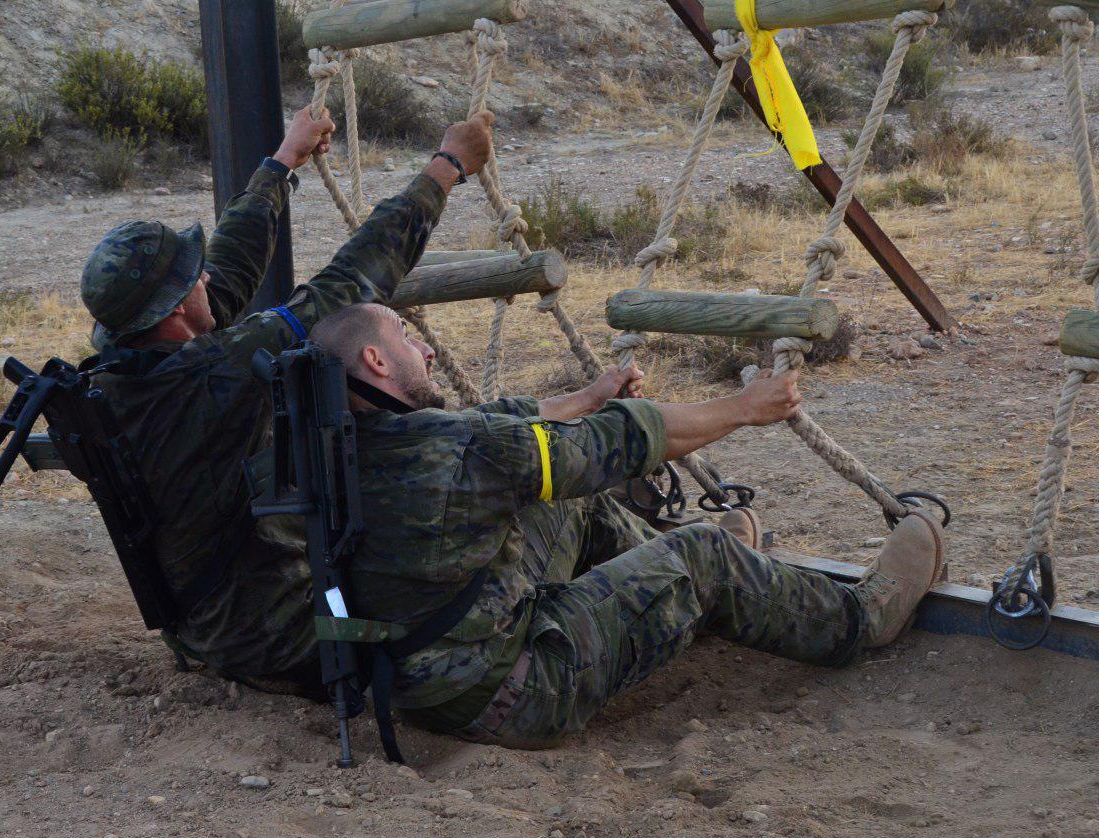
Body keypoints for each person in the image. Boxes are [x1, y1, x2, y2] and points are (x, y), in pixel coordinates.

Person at [307, 302, 946, 748]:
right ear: (377, 360)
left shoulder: (337, 448)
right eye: (405, 337)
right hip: (516, 693)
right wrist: (746, 407)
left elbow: (498, 426)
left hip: (418, 683)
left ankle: (694, 595)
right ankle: (862, 618)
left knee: (563, 502)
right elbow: (618, 442)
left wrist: (586, 396)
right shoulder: (459, 450)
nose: (425, 347)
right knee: (701, 552)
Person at [74, 106, 502, 692]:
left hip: (201, 627)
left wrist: (282, 163)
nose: (205, 278)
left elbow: (225, 274)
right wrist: (447, 166)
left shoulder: (122, 374)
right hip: (275, 638)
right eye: (192, 277)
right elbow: (350, 282)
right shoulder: (215, 376)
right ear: (173, 311)